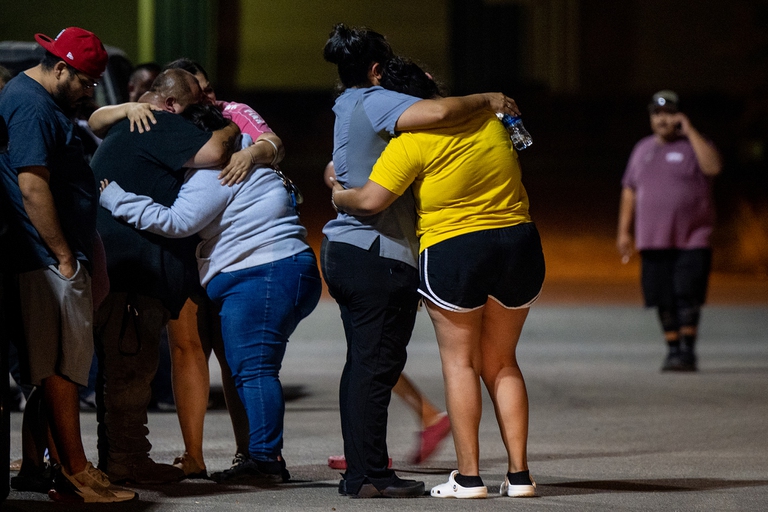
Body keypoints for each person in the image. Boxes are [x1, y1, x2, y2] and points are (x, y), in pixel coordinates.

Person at [331, 55, 545, 499]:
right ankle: (520, 476)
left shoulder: (411, 142)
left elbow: (370, 201)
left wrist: (338, 193)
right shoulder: (491, 121)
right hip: (518, 243)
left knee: (460, 363)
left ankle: (469, 478)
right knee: (503, 362)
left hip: (455, 249)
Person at [98, 103, 322, 484]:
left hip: (260, 274)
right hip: (278, 270)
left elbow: (178, 221)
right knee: (251, 369)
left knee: (255, 371)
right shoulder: (247, 150)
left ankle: (265, 460)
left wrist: (117, 198)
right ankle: (260, 455)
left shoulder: (215, 169)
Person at [0, 27, 135, 503]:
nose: (89, 91)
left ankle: (42, 468)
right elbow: (32, 186)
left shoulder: (38, 100)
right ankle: (76, 473)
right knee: (62, 369)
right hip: (47, 261)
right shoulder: (32, 106)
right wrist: (63, 255)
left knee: (55, 369)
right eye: (85, 81)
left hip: (52, 257)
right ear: (60, 68)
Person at [88, 68, 240, 484]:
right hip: (132, 275)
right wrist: (232, 126)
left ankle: (111, 459)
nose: (199, 116)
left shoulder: (124, 126)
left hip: (106, 268)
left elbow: (96, 120)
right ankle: (128, 460)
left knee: (113, 369)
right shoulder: (159, 123)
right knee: (130, 370)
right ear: (171, 105)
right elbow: (216, 152)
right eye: (194, 108)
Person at [158, 57, 286, 478]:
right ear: (176, 99)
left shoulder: (232, 113)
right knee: (187, 349)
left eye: (209, 88)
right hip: (182, 244)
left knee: (235, 356)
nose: (209, 97)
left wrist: (249, 152)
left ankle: (251, 452)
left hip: (224, 250)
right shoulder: (164, 122)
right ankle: (194, 456)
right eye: (199, 92)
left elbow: (275, 144)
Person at [323, 161, 451, 469]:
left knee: (370, 357)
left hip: (386, 251)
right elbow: (332, 169)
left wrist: (340, 192)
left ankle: (367, 450)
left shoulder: (399, 147)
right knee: (369, 355)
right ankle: (372, 442)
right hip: (389, 251)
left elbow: (344, 180)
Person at [617, 90, 722, 372]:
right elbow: (629, 190)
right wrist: (624, 232)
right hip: (653, 238)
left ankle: (688, 350)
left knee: (688, 292)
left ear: (679, 116)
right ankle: (673, 349)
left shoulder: (695, 146)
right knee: (661, 295)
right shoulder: (642, 149)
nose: (662, 119)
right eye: (657, 114)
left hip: (693, 237)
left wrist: (690, 131)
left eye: (669, 113)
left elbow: (713, 167)